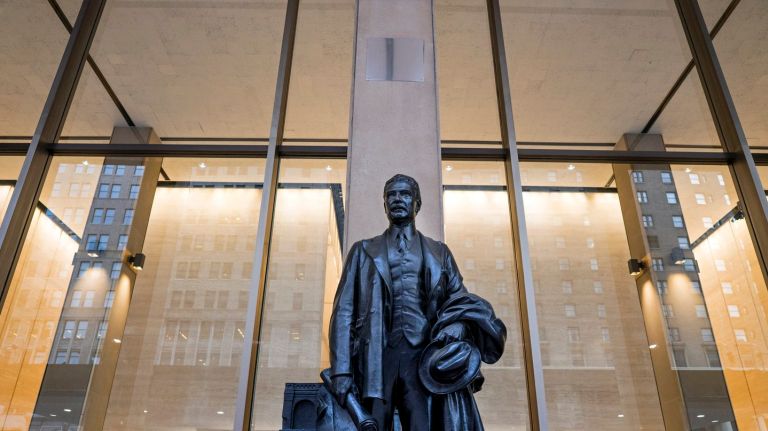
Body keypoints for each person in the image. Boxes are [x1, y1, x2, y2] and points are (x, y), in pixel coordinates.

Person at [328, 174, 480, 430]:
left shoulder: (439, 252)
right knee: (373, 425)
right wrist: (341, 370)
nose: (397, 199)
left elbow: (460, 301)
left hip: (422, 359)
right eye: (392, 195)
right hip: (376, 358)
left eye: (405, 194)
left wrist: (459, 326)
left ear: (417, 203)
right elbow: (343, 311)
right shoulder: (362, 251)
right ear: (385, 204)